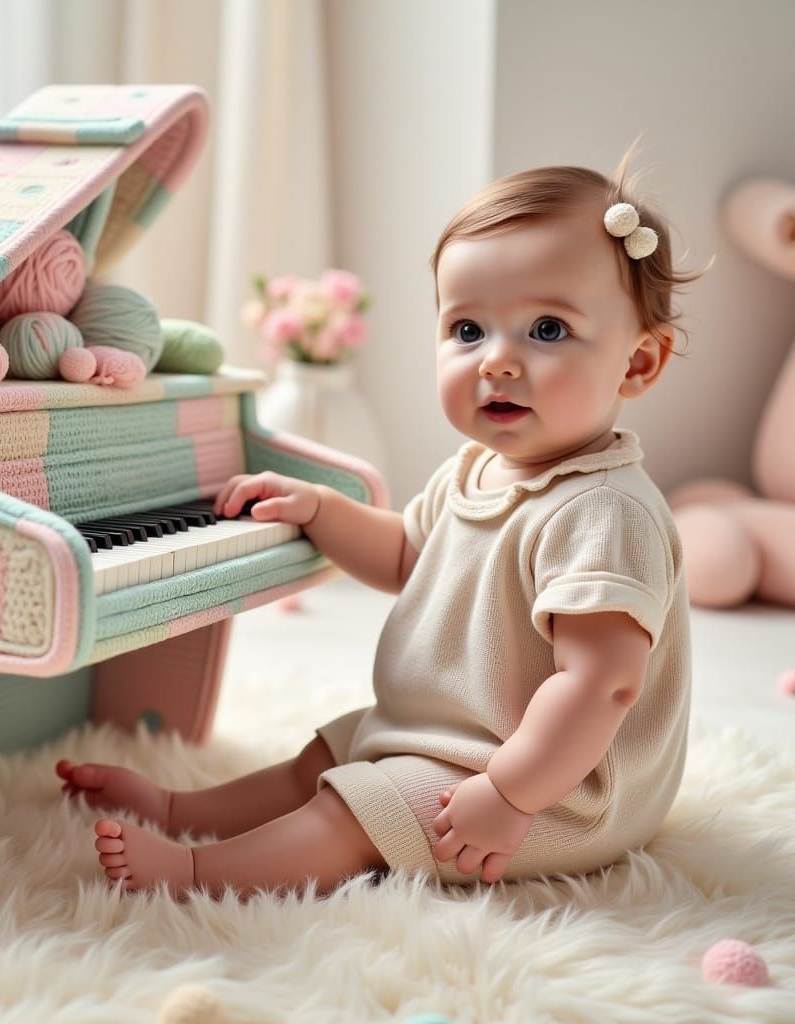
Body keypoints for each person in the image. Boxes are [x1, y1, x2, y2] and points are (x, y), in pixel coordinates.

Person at [56, 147, 708, 898]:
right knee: (329, 754)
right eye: (468, 331)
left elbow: (601, 688)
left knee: (353, 808)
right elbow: (407, 555)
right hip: (466, 738)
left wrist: (508, 795)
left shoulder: (604, 513)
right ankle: (183, 810)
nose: (497, 361)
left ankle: (199, 873)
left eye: (547, 331)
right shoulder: (473, 470)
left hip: (559, 788)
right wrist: (323, 510)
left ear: (638, 364)